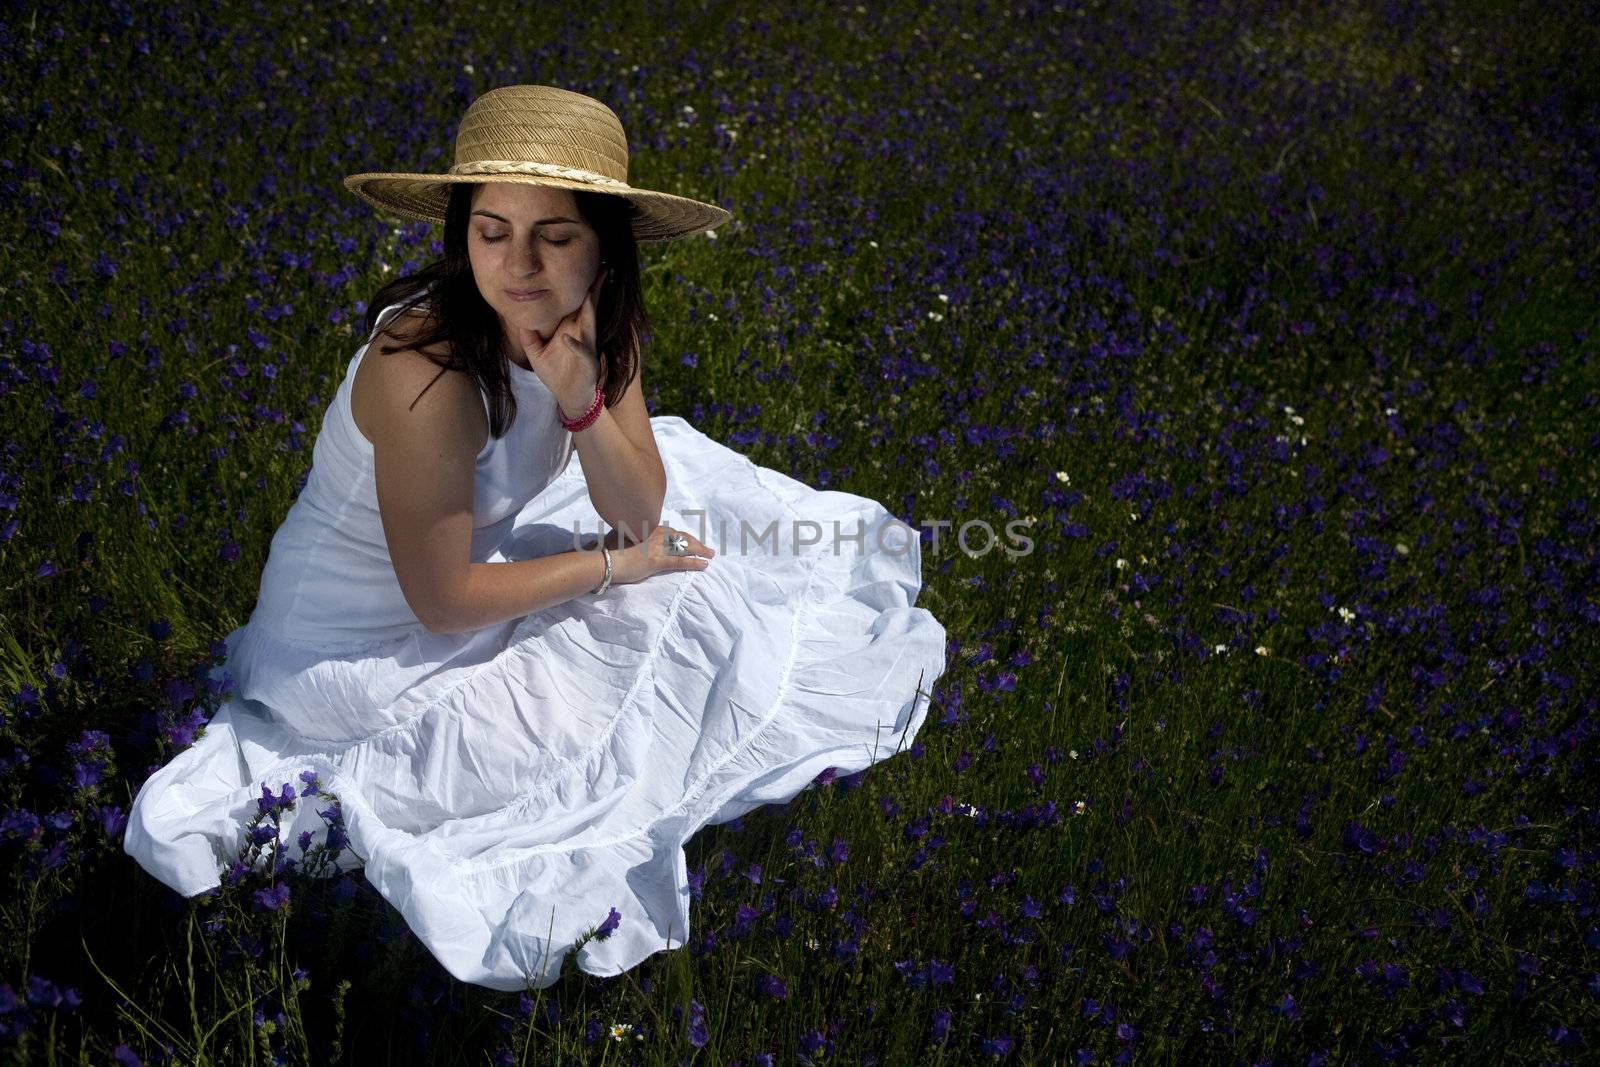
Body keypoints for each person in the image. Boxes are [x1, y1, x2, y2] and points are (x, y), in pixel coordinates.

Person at [123, 84, 947, 991]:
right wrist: (610, 566)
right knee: (658, 596)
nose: (519, 264)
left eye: (553, 235)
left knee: (693, 575)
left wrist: (581, 393)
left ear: (602, 245)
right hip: (356, 646)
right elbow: (447, 599)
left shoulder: (594, 318)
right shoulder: (424, 374)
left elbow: (637, 504)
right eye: (490, 231)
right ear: (459, 235)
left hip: (460, 582)